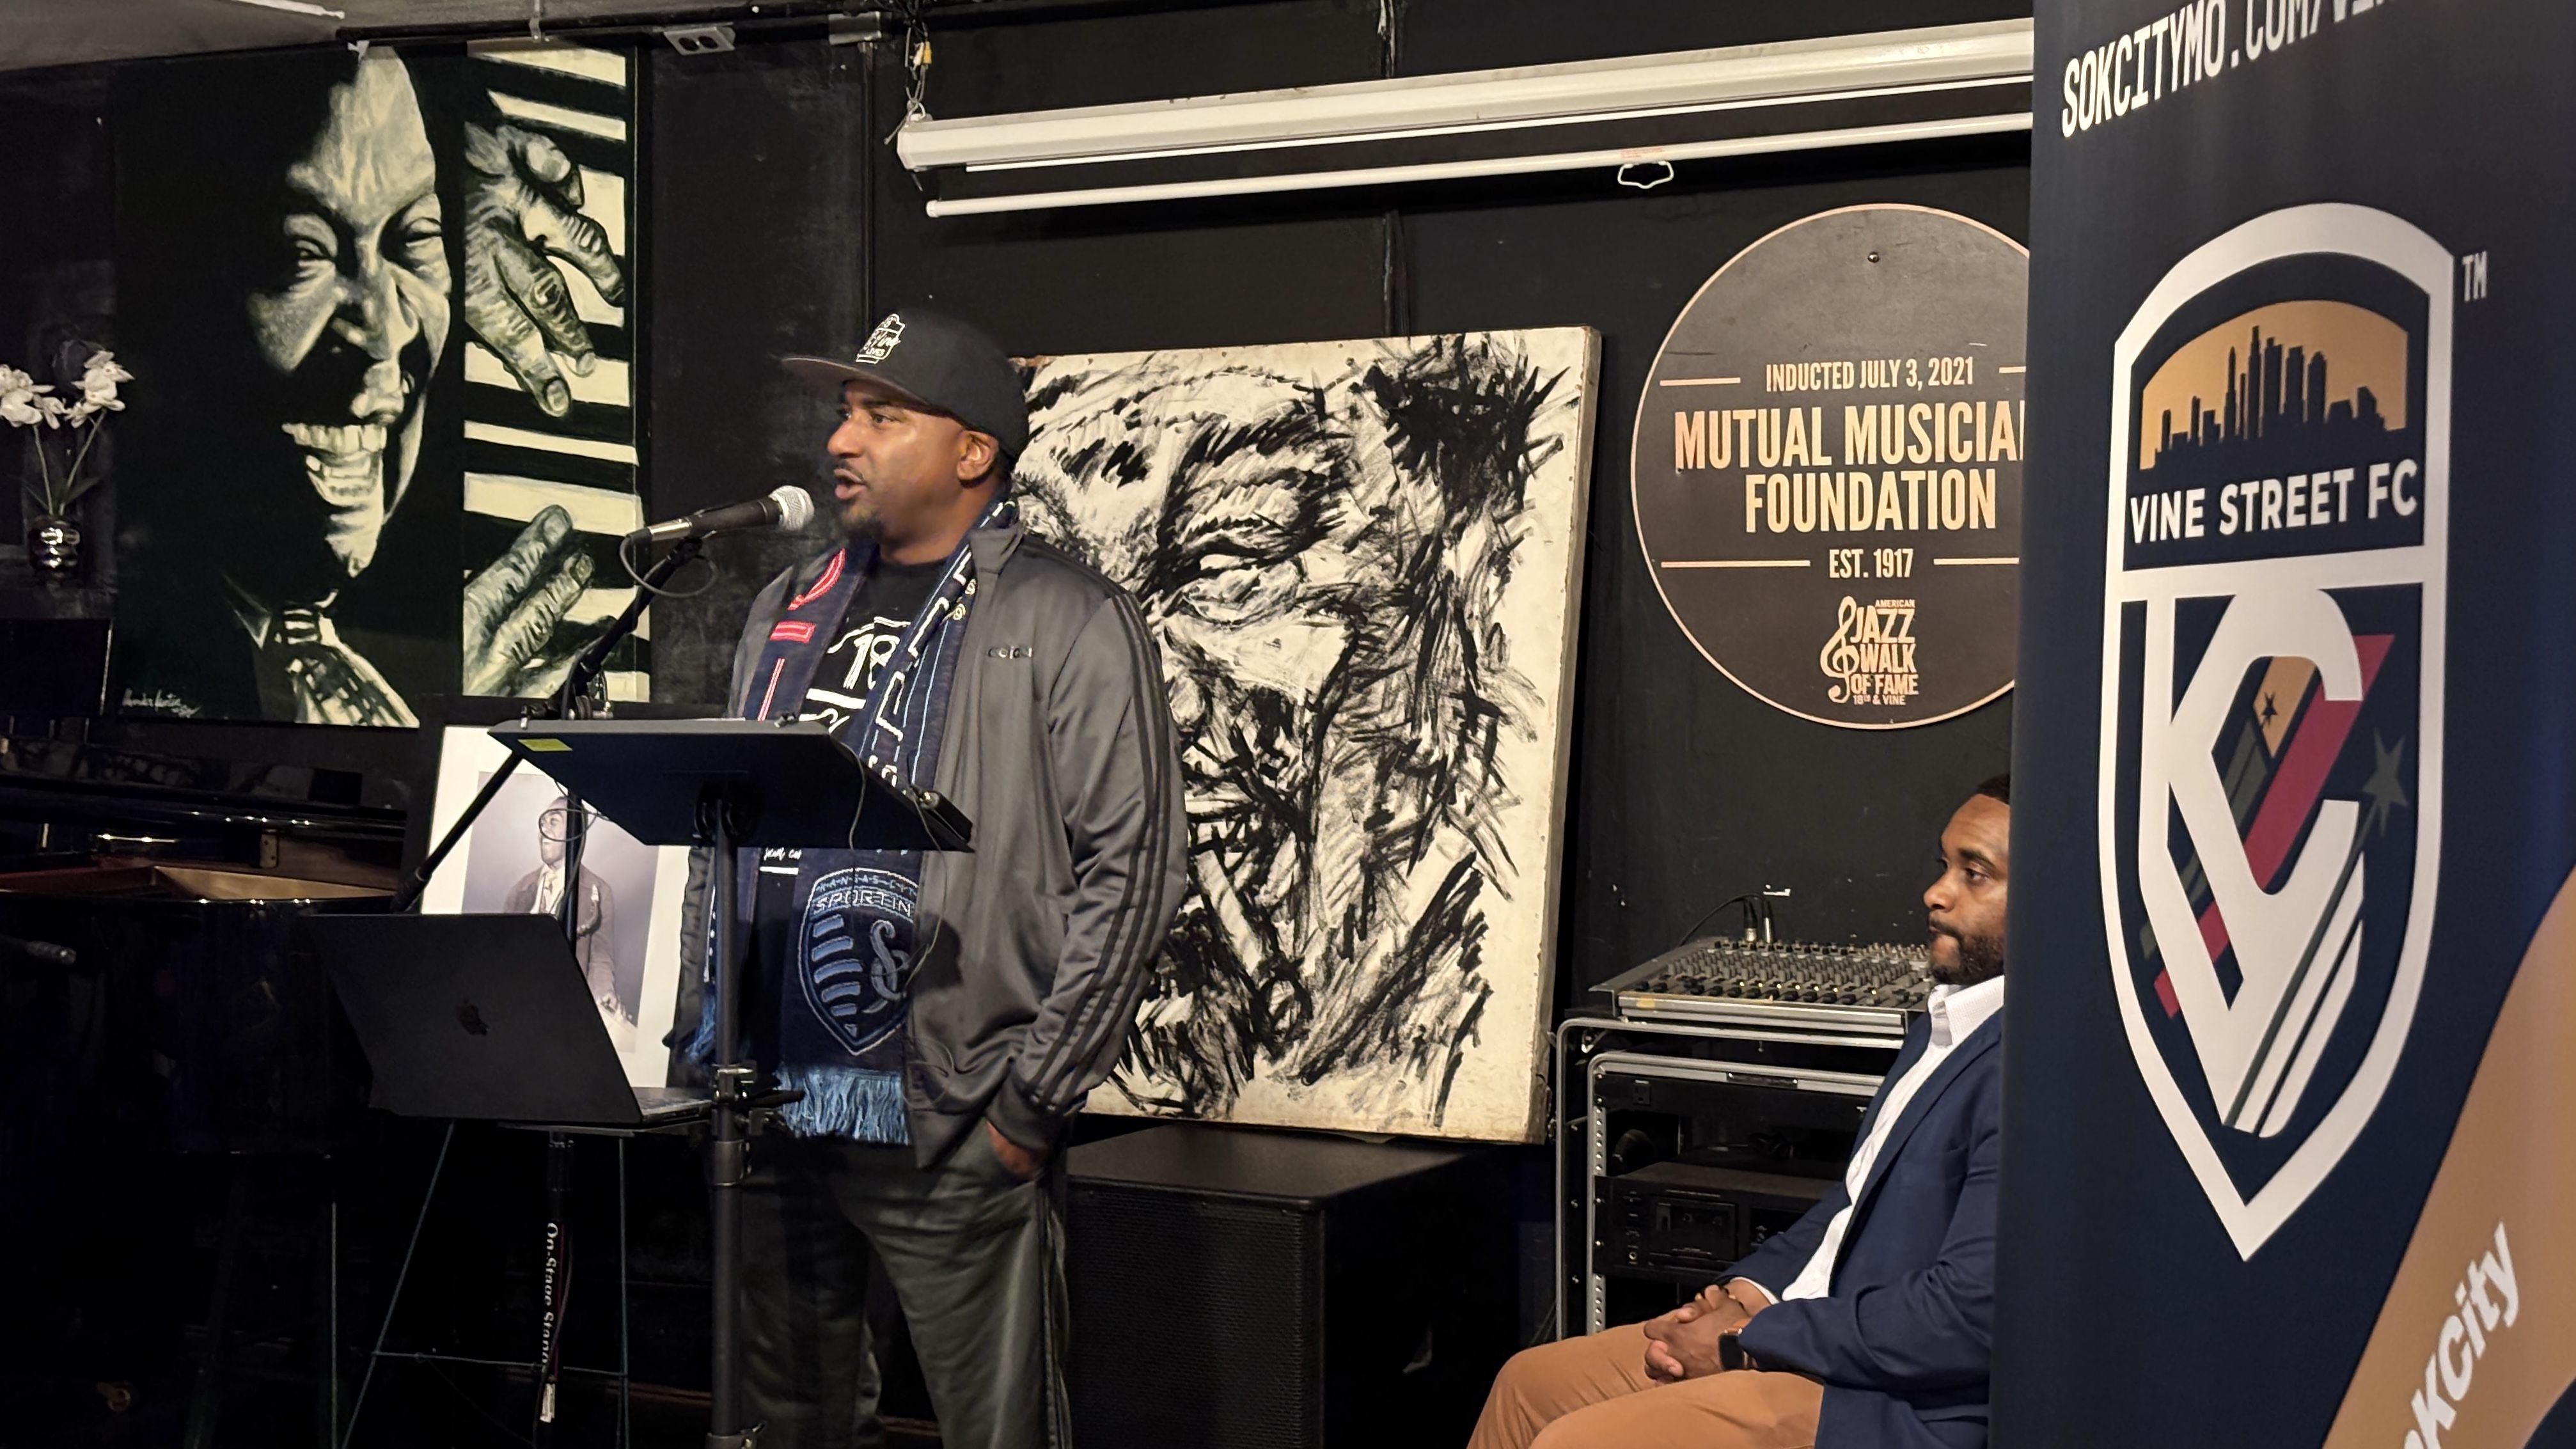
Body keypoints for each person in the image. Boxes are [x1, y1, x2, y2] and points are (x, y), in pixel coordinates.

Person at [674, 308, 1186, 1449]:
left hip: (952, 1118)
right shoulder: (784, 608)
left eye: (881, 414)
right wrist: (704, 1034)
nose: (839, 442)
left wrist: (1030, 1104)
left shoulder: (1066, 616)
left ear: (972, 452)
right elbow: (730, 834)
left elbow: (1136, 868)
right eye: (844, 412)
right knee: (793, 1425)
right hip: (772, 1103)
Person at [1470, 776, 2013, 1449]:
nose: (1936, 892)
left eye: (1975, 874)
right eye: (1943, 864)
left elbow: (1963, 1316)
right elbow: (1845, 1210)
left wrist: (1747, 1338)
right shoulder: (1941, 1025)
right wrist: (1742, 1295)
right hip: (1800, 1335)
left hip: (1890, 1403)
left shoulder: (2027, 1072)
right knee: (1528, 1383)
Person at [114, 49, 614, 724]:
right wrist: (452, 733)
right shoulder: (132, 628)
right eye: (301, 252)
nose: (385, 330)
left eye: (415, 238)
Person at [503, 794, 625, 1022]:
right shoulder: (519, 891)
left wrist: (602, 993)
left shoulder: (599, 892)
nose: (544, 831)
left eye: (554, 821)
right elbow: (503, 955)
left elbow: (600, 957)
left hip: (565, 1011)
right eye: (543, 822)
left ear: (574, 832)